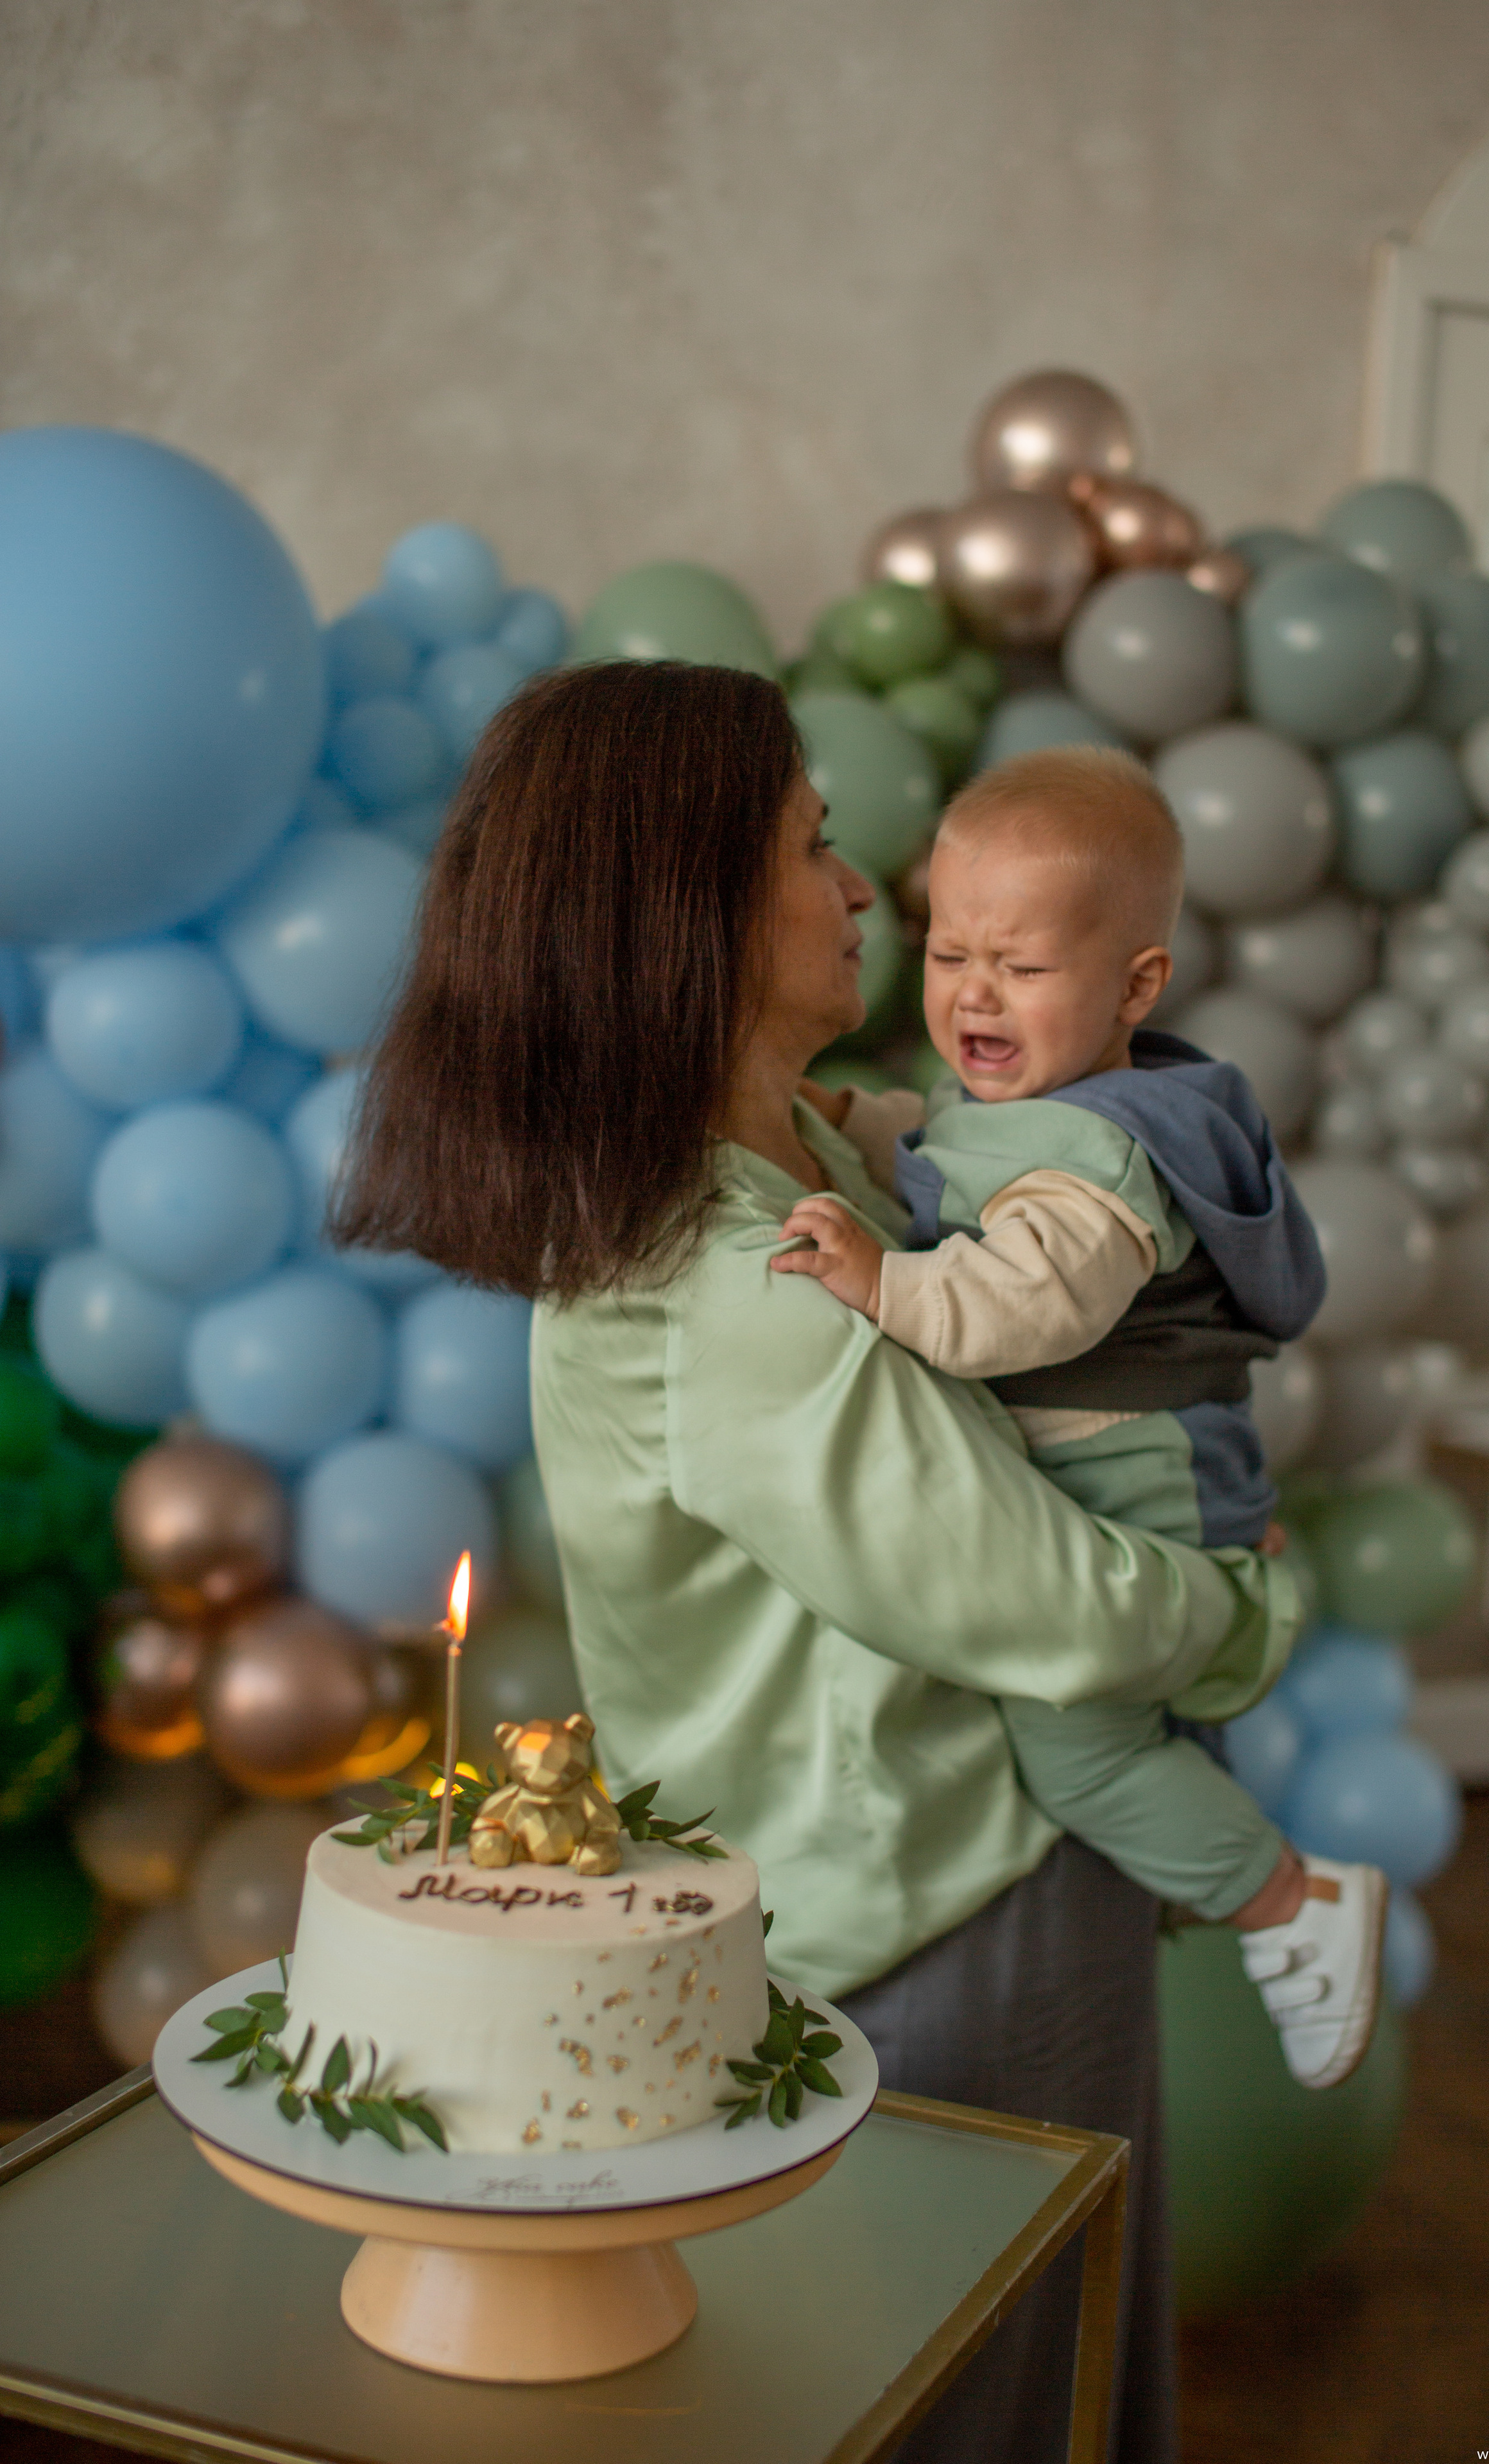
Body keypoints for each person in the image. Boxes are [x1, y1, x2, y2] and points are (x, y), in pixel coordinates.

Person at [335, 660, 1304, 2464]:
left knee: (1042, 2366)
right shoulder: (730, 1284)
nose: (866, 893)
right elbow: (1054, 1605)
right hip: (935, 1920)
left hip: (970, 1880)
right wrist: (1250, 1598)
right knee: (981, 2399)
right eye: (814, 845)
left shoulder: (802, 1163)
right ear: (684, 914)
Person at [774, 748, 1387, 2093]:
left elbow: (1023, 1299)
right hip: (1139, 1477)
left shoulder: (1098, 1161)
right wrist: (847, 1125)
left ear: (1135, 985)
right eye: (947, 955)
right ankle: (1196, 1851)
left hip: (1137, 1484)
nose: (972, 994)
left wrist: (879, 1281)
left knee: (1081, 1750)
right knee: (1146, 1726)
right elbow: (943, 1153)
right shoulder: (1038, 1113)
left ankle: (1288, 1900)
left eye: (1022, 967)